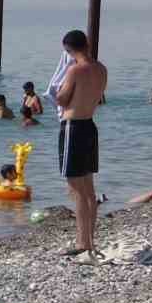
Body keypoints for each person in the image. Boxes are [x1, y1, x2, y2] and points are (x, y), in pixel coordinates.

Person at [54, 29, 108, 260]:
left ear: (68, 49)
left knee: (77, 189)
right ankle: (89, 241)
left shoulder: (75, 70)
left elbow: (62, 98)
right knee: (88, 188)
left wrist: (57, 92)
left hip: (73, 127)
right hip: (89, 125)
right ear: (86, 44)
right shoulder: (101, 68)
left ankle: (82, 243)